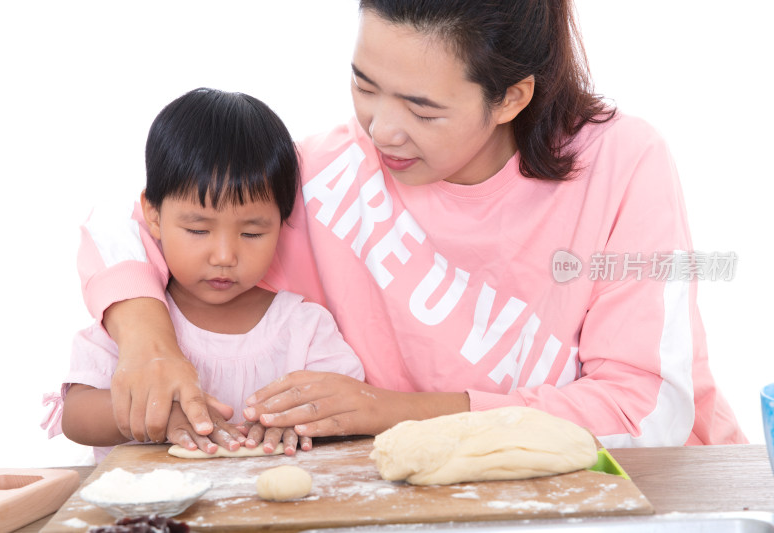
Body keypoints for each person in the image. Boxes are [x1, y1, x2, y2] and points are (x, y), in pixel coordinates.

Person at [75, 0, 746, 451]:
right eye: (365, 86)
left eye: (422, 109)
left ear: (512, 97)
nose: (380, 129)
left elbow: (649, 410)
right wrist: (145, 336)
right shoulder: (332, 175)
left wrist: (394, 411)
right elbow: (124, 220)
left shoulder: (626, 164)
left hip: (658, 499)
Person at [42, 88, 364, 462]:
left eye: (252, 233)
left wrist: (304, 420)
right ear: (153, 215)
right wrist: (157, 410)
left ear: (283, 222)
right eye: (198, 230)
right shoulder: (131, 320)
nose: (225, 256)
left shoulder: (304, 327)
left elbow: (345, 404)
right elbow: (75, 416)